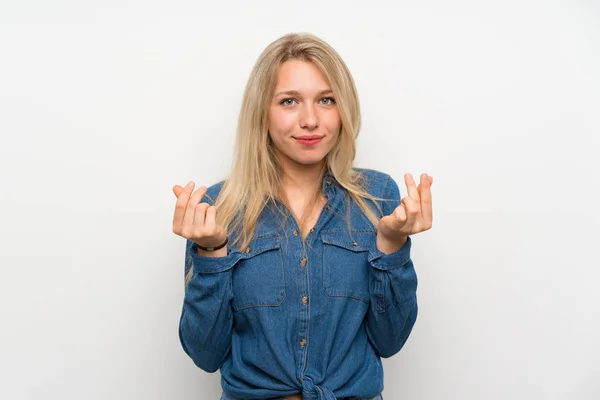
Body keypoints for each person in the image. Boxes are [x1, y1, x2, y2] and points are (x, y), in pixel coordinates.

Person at [172, 32, 434, 400]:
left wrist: (392, 248)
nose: (310, 120)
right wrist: (211, 253)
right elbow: (205, 354)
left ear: (344, 108)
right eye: (289, 101)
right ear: (261, 112)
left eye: (326, 100)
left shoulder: (377, 199)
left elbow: (390, 341)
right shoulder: (219, 208)